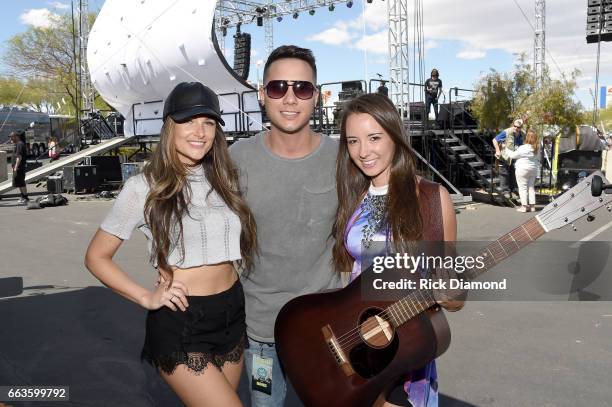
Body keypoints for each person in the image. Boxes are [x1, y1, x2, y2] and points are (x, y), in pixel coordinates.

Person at [85, 82, 257, 407]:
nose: (200, 131)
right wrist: (146, 297)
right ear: (169, 127)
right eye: (189, 120)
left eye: (208, 122)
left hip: (232, 313)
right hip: (181, 322)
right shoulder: (143, 187)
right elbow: (97, 257)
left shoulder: (226, 179)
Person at [229, 45, 342, 407]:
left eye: (302, 88)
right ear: (262, 95)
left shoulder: (343, 158)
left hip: (328, 332)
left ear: (316, 96)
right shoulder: (236, 158)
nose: (290, 98)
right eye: (278, 87)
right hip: (261, 335)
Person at [332, 93, 463, 407]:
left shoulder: (431, 198)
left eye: (374, 138)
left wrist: (449, 290)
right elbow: (348, 278)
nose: (363, 152)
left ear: (394, 135)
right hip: (357, 343)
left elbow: (455, 298)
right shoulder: (355, 196)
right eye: (353, 141)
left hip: (404, 352)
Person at [506, 130, 540, 212]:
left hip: (522, 168)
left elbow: (513, 155)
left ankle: (524, 207)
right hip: (533, 169)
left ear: (527, 138)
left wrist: (506, 149)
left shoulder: (523, 147)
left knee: (522, 188)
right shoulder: (536, 148)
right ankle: (532, 207)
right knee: (531, 187)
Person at [493, 118, 525, 194]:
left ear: (521, 128)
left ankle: (514, 191)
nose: (516, 128)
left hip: (515, 158)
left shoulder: (523, 134)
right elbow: (494, 140)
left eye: (518, 127)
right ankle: (505, 192)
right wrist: (497, 150)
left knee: (514, 174)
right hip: (505, 157)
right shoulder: (507, 132)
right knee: (504, 174)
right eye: (515, 126)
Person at [11, 131, 29, 205]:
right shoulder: (17, 144)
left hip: (19, 167)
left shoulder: (20, 144)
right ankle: (22, 196)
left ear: (16, 136)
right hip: (18, 167)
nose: (11, 138)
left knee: (21, 183)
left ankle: (25, 197)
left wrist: (15, 168)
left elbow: (19, 157)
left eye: (12, 137)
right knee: (19, 183)